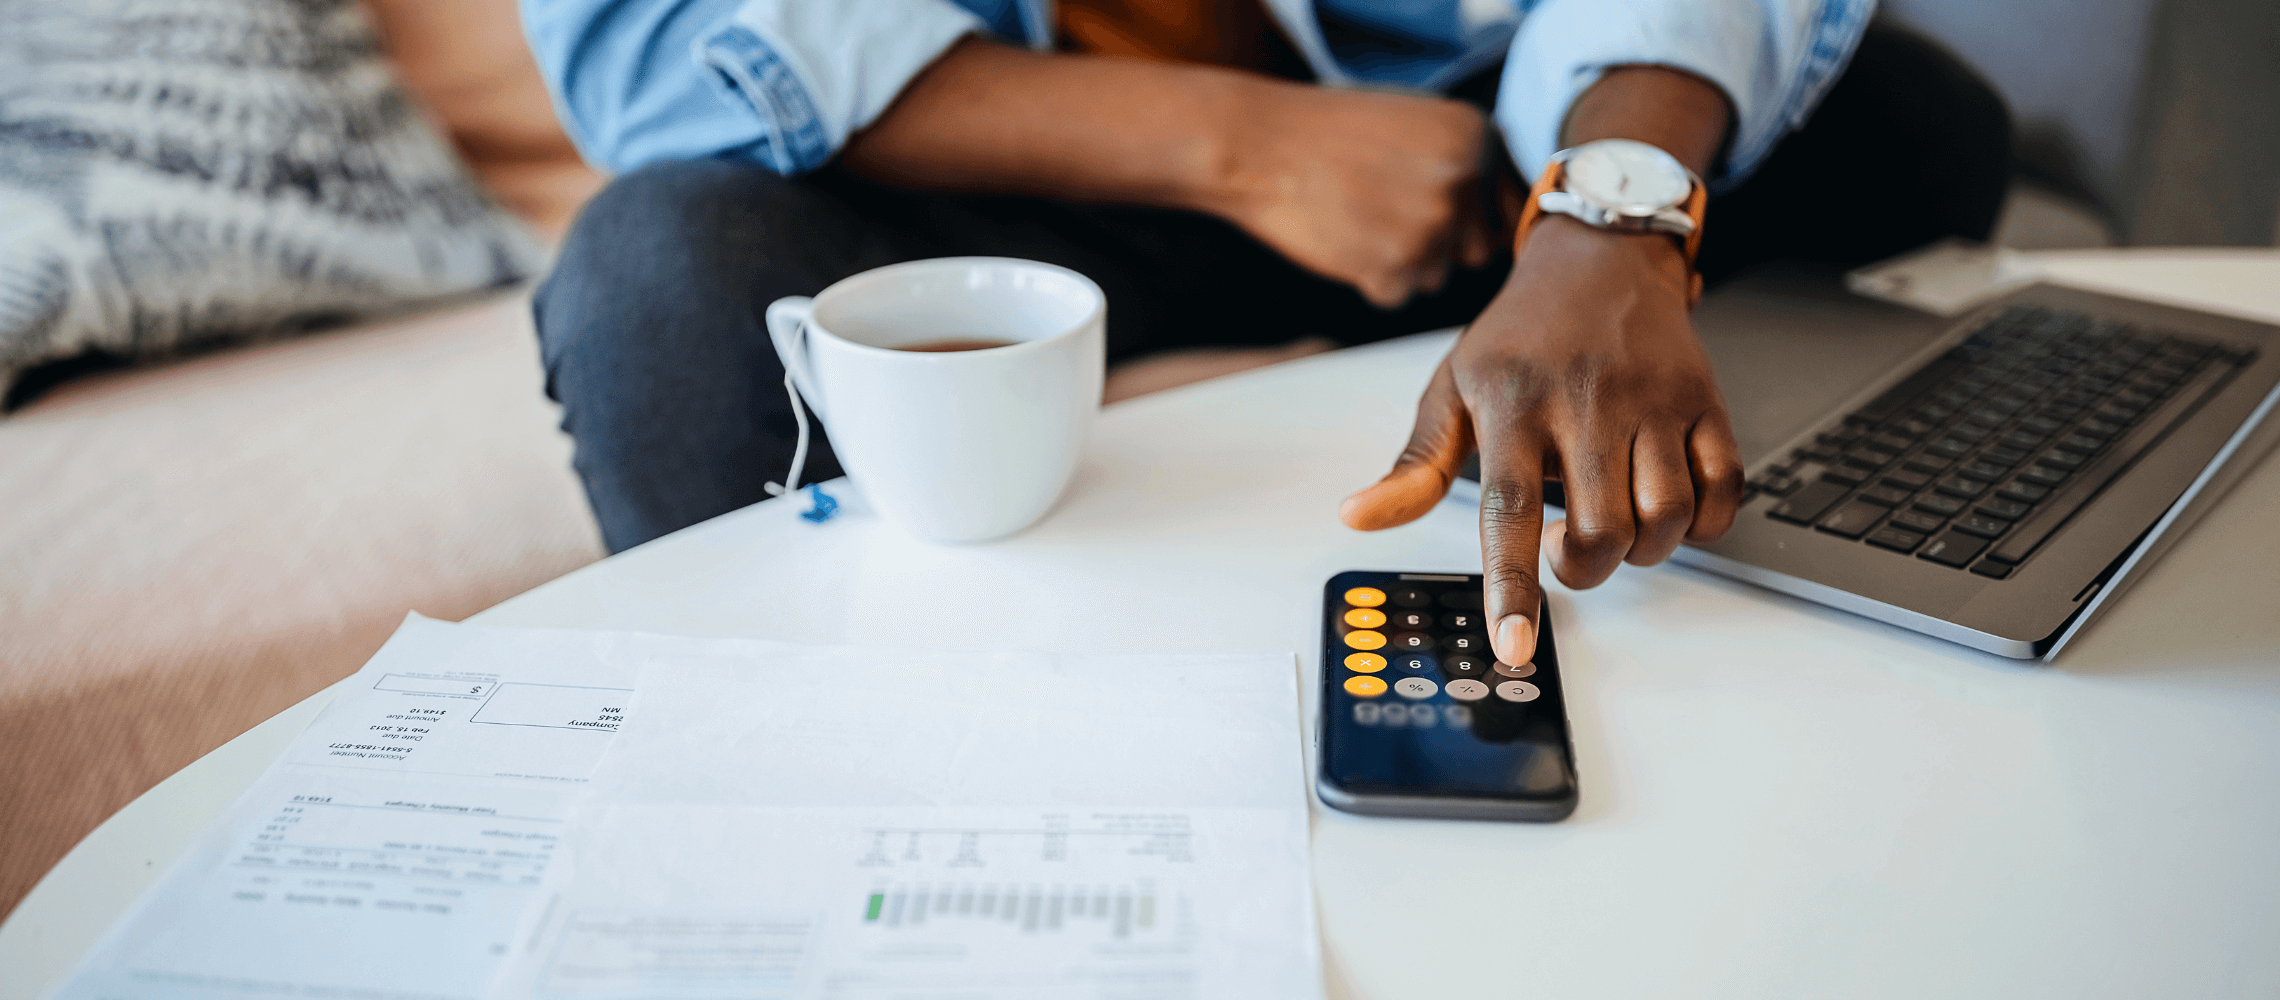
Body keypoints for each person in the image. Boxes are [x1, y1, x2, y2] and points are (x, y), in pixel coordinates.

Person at [522, 0, 2010, 667]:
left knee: (1916, 124)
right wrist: (1246, 146)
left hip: (1475, 138)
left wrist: (1607, 217)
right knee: (660, 281)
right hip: (1026, 156)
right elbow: (643, 34)